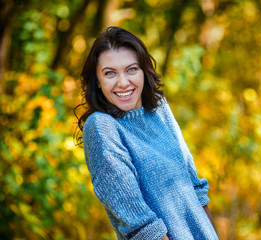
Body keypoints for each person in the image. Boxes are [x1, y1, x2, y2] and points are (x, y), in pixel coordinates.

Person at [75, 26, 219, 240]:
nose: (123, 82)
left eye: (131, 69)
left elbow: (195, 188)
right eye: (110, 73)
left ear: (143, 70)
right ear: (97, 80)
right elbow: (142, 227)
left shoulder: (159, 108)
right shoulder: (102, 127)